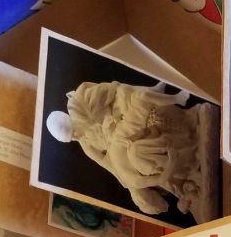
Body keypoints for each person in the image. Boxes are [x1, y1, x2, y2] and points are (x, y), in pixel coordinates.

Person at [45, 80, 205, 218]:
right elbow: (109, 164)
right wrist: (130, 184)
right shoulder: (86, 144)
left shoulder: (83, 99)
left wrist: (122, 118)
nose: (77, 136)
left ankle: (186, 125)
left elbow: (116, 90)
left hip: (124, 117)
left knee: (141, 113)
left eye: (74, 131)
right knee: (138, 166)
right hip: (122, 143)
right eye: (73, 137)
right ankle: (183, 187)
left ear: (69, 119)